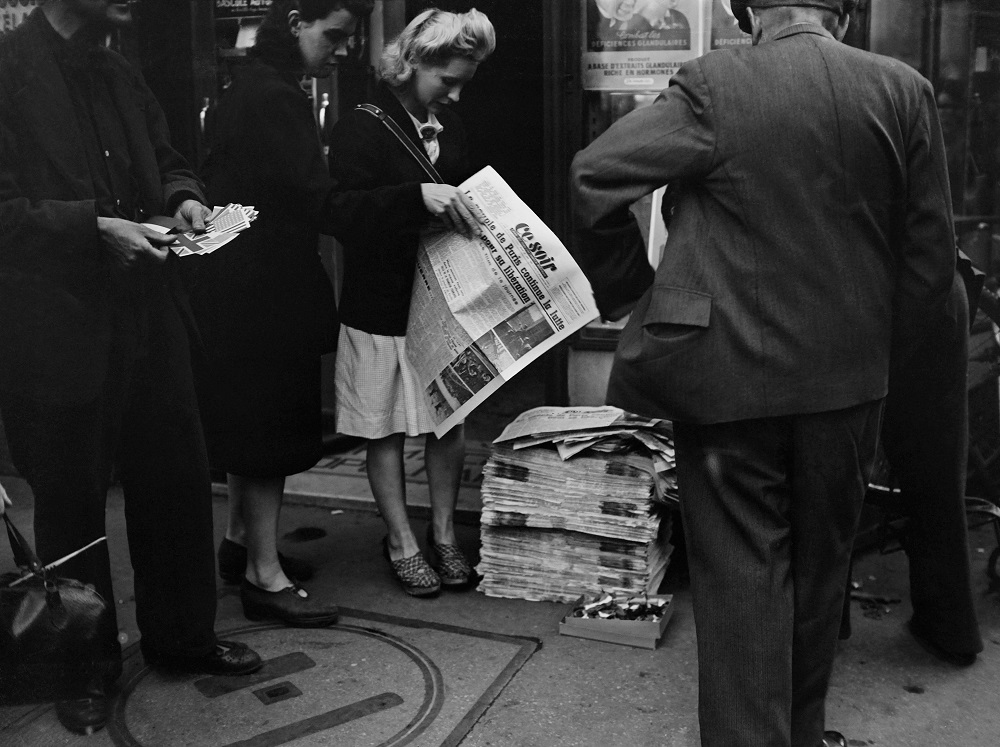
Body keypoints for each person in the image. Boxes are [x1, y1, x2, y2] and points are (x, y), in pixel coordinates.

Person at [569, 1, 957, 746]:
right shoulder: (902, 89)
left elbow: (594, 175)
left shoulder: (714, 83)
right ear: (843, 15)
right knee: (820, 576)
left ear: (748, 14)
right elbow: (930, 262)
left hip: (726, 381)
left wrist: (631, 290)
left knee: (742, 578)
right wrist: (876, 355)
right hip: (847, 383)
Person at [0, 0, 262, 736]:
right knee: (71, 499)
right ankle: (82, 667)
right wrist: (92, 229)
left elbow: (169, 159)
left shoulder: (120, 70)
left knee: (176, 478)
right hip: (56, 327)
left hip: (150, 314)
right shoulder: (8, 71)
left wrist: (184, 197)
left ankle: (182, 637)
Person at [188, 0, 378, 628]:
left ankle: (241, 543)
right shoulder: (280, 97)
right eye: (334, 35)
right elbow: (317, 201)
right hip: (270, 289)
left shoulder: (246, 84)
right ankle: (263, 578)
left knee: (249, 428)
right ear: (296, 22)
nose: (341, 50)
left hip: (236, 284)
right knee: (270, 435)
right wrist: (409, 202)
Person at [327, 8, 493, 597]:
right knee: (384, 426)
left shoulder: (454, 129)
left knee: (449, 418)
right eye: (447, 80)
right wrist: (414, 198)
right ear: (414, 62)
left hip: (443, 299)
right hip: (380, 300)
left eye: (464, 83)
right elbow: (338, 212)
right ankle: (401, 540)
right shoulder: (360, 126)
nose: (455, 94)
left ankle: (444, 534)